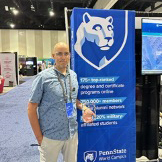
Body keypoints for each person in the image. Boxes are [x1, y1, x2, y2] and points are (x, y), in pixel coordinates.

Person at [28, 42, 95, 162]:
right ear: (53, 56)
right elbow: (31, 108)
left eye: (66, 53)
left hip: (71, 133)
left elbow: (72, 100)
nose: (63, 57)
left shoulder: (73, 76)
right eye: (59, 54)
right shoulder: (43, 77)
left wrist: (84, 108)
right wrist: (39, 138)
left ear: (70, 55)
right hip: (50, 135)